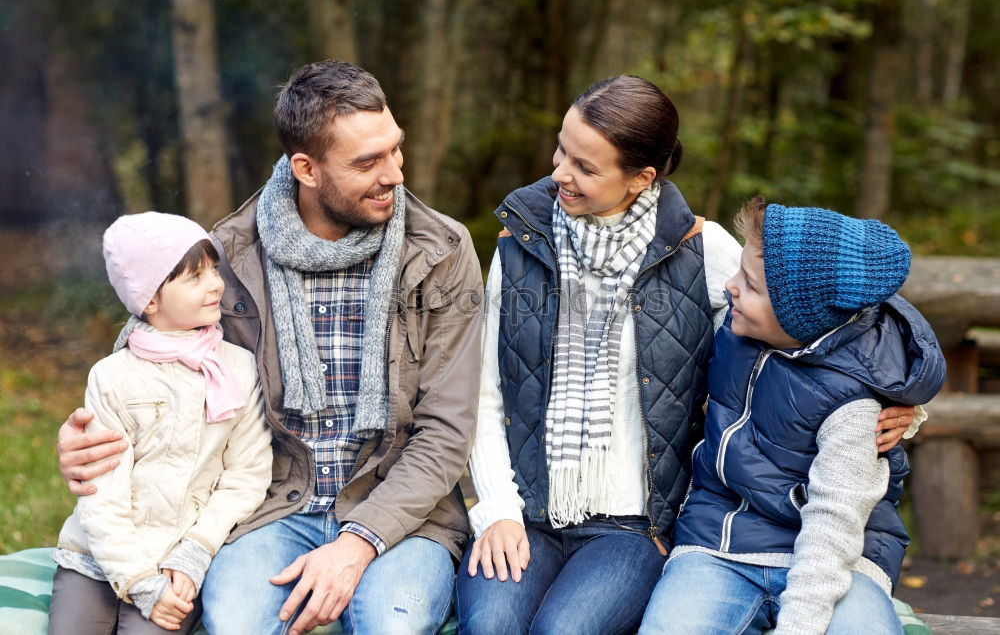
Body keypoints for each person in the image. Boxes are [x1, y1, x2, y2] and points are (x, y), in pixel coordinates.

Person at [455, 75, 919, 634]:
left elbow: (836, 324)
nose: (558, 172)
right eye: (561, 148)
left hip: (632, 526)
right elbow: (484, 389)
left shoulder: (703, 251)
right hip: (524, 510)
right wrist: (498, 511)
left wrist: (907, 402)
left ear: (641, 178)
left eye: (585, 166)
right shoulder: (520, 243)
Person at [55, 60, 484, 635]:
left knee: (394, 625)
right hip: (271, 504)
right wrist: (87, 439)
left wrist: (356, 543)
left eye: (394, 150)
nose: (395, 175)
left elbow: (446, 431)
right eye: (367, 162)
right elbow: (148, 357)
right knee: (235, 623)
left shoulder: (442, 251)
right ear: (305, 168)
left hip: (403, 510)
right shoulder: (229, 253)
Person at [637, 199, 946, 635]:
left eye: (750, 284)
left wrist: (799, 626)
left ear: (799, 313)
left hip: (841, 556)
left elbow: (833, 528)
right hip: (721, 540)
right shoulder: (736, 325)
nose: (730, 286)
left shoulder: (856, 407)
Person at [47, 212, 273, 634]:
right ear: (150, 300)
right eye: (195, 277)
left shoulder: (238, 369)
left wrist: (195, 552)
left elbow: (247, 474)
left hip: (178, 560)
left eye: (213, 270)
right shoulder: (113, 377)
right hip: (97, 555)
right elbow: (101, 492)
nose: (216, 284)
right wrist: (137, 581)